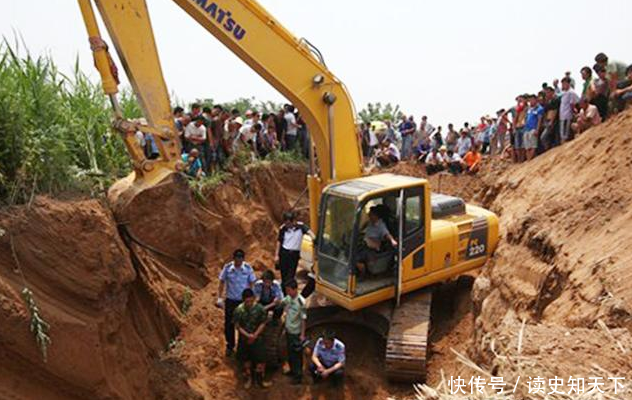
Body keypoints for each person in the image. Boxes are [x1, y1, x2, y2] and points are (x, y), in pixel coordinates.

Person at [217, 249, 257, 357]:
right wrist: (220, 297)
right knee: (229, 324)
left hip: (242, 301)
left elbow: (253, 282)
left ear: (243, 259)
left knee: (243, 324)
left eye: (241, 258)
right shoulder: (228, 268)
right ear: (233, 258)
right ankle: (230, 345)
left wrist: (252, 298)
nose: (238, 261)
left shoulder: (248, 269)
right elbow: (221, 281)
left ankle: (241, 348)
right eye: (236, 258)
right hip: (230, 300)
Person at [233, 288, 271, 389]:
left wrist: (255, 335)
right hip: (244, 339)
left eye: (251, 301)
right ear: (243, 300)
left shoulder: (260, 309)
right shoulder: (239, 310)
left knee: (261, 359)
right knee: (246, 360)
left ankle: (260, 380)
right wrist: (248, 335)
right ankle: (249, 379)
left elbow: (263, 323)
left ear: (254, 298)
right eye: (247, 301)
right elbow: (237, 326)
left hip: (258, 339)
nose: (249, 303)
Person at [275, 211, 314, 292]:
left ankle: (289, 293)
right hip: (284, 254)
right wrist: (276, 255)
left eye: (289, 223)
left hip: (294, 255)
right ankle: (284, 294)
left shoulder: (300, 226)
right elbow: (279, 241)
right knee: (284, 276)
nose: (287, 225)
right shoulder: (283, 228)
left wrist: (314, 239)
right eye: (286, 223)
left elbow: (309, 232)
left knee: (290, 276)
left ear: (293, 221)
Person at [281, 280, 307, 385]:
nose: (288, 292)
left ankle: (298, 376)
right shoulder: (289, 298)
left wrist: (302, 334)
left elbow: (303, 319)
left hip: (296, 332)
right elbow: (283, 302)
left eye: (289, 290)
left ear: (295, 289)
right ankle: (292, 370)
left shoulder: (301, 302)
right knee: (290, 353)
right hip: (288, 330)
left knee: (296, 355)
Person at [523, 94, 544, 160]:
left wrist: (537, 129)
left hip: (533, 128)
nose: (531, 101)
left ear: (536, 100)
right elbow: (526, 118)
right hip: (527, 129)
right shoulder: (529, 109)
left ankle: (530, 160)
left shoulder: (539, 108)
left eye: (532, 100)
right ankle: (529, 159)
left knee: (533, 146)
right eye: (530, 100)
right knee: (527, 147)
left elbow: (539, 120)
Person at [559, 77, 579, 143]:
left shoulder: (571, 92)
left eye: (563, 84)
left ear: (568, 83)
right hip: (562, 115)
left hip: (566, 116)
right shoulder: (563, 92)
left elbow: (572, 104)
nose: (562, 85)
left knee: (565, 134)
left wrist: (574, 112)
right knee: (562, 134)